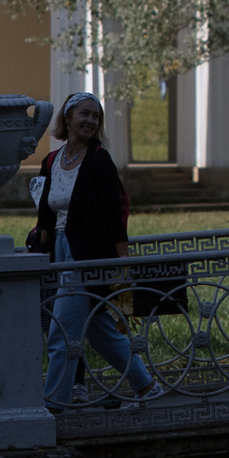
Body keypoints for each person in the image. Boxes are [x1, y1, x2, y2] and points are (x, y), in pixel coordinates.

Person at [29, 92, 159, 405]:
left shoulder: (99, 160)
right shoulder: (52, 161)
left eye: (95, 116)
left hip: (88, 255)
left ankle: (55, 403)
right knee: (99, 329)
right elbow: (45, 214)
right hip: (60, 251)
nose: (90, 120)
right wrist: (39, 250)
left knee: (62, 332)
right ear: (68, 117)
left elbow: (115, 214)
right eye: (84, 114)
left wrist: (122, 259)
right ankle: (145, 386)